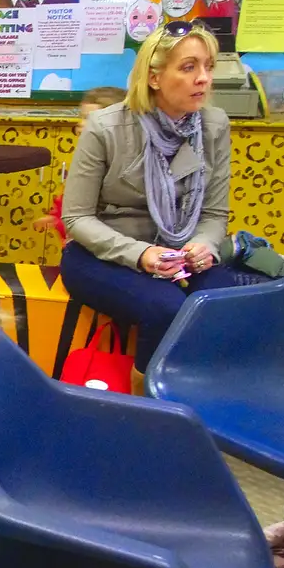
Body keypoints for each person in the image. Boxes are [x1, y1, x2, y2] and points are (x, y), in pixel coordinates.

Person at [60, 21, 260, 372]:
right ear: (154, 77)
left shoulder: (213, 125)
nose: (204, 79)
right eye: (189, 67)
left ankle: (202, 392)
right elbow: (77, 219)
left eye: (208, 67)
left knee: (222, 299)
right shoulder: (106, 127)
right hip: (103, 255)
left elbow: (214, 214)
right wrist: (142, 255)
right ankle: (150, 402)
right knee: (166, 306)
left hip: (179, 254)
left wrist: (204, 247)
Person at [35, 86, 125, 242]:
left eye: (90, 119)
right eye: (82, 117)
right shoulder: (86, 156)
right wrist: (56, 218)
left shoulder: (117, 166)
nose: (81, 124)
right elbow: (74, 200)